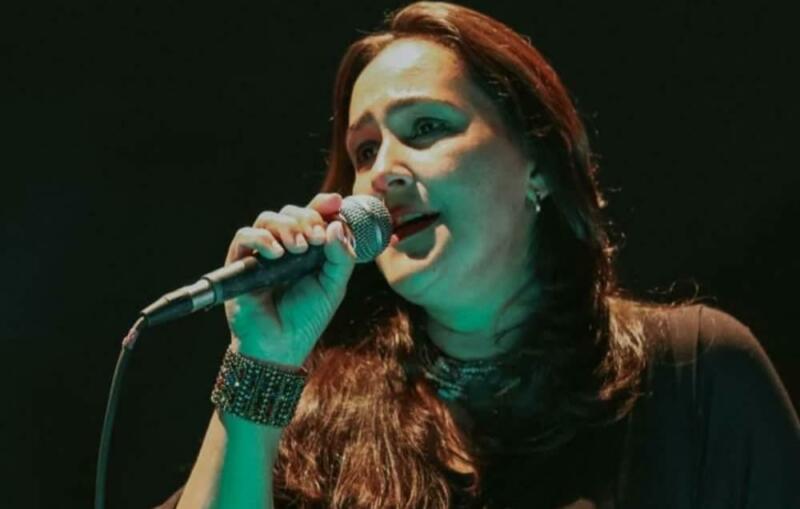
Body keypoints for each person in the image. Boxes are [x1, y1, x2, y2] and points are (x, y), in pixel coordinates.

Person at [158, 2, 799, 508]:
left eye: (426, 127)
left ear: (538, 162)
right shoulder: (318, 421)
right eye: (364, 151)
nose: (382, 172)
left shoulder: (691, 375)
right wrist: (260, 362)